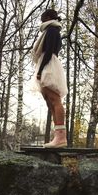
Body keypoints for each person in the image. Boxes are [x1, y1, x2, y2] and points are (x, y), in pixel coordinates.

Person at [31, 9, 68, 148]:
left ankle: (61, 138)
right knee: (49, 102)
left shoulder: (52, 30)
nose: (41, 21)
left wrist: (40, 71)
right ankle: (57, 137)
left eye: (42, 18)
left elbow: (50, 51)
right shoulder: (49, 30)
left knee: (55, 100)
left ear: (48, 17)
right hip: (46, 64)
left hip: (49, 65)